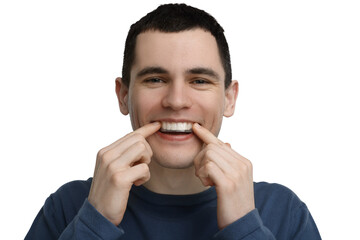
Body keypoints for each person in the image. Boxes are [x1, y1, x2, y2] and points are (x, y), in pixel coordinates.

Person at [25, 3, 321, 240]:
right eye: (155, 79)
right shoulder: (68, 205)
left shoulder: (284, 211)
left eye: (199, 80)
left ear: (229, 98)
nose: (176, 100)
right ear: (123, 95)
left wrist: (244, 227)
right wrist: (94, 222)